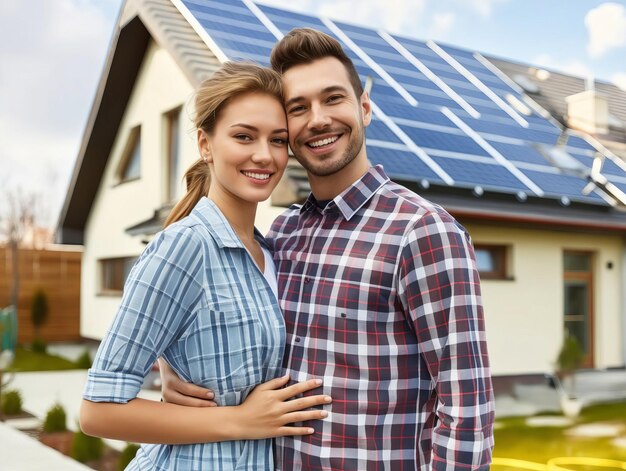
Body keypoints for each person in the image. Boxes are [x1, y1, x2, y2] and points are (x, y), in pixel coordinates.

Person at [162, 29, 495, 470]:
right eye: (298, 108)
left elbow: (466, 410)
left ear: (365, 108)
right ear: (287, 131)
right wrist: (172, 363)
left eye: (333, 98)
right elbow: (221, 326)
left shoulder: (422, 231)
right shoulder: (282, 235)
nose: (317, 119)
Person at [79, 61, 332, 471]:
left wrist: (170, 360)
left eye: (278, 140)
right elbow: (97, 411)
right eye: (244, 136)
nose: (264, 155)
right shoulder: (184, 247)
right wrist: (240, 420)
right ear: (205, 144)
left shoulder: (271, 252)